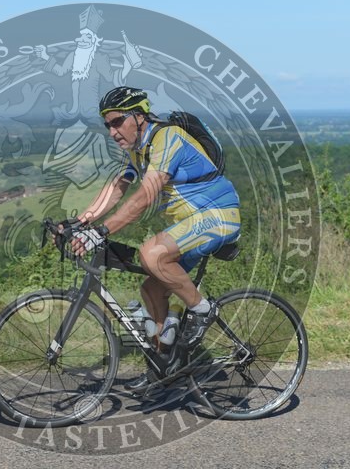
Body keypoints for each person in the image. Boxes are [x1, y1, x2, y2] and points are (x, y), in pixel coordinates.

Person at [67, 86, 241, 391]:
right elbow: (118, 187)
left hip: (217, 216)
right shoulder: (138, 149)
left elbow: (146, 196)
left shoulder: (167, 138)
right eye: (108, 125)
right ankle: (163, 369)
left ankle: (203, 310)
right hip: (189, 225)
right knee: (151, 290)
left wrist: (101, 231)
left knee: (151, 254)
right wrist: (81, 222)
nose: (112, 132)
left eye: (118, 122)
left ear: (138, 116)